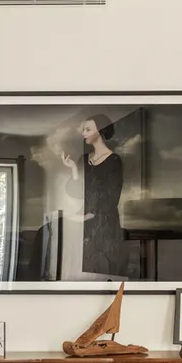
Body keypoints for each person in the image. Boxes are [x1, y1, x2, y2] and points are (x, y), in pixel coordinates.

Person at [56, 114, 126, 278]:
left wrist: (90, 214)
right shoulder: (84, 159)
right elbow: (75, 191)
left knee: (102, 268)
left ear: (100, 131)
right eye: (83, 130)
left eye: (88, 130)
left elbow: (112, 197)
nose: (84, 134)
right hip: (84, 221)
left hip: (105, 223)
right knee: (81, 267)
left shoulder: (114, 161)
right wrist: (73, 168)